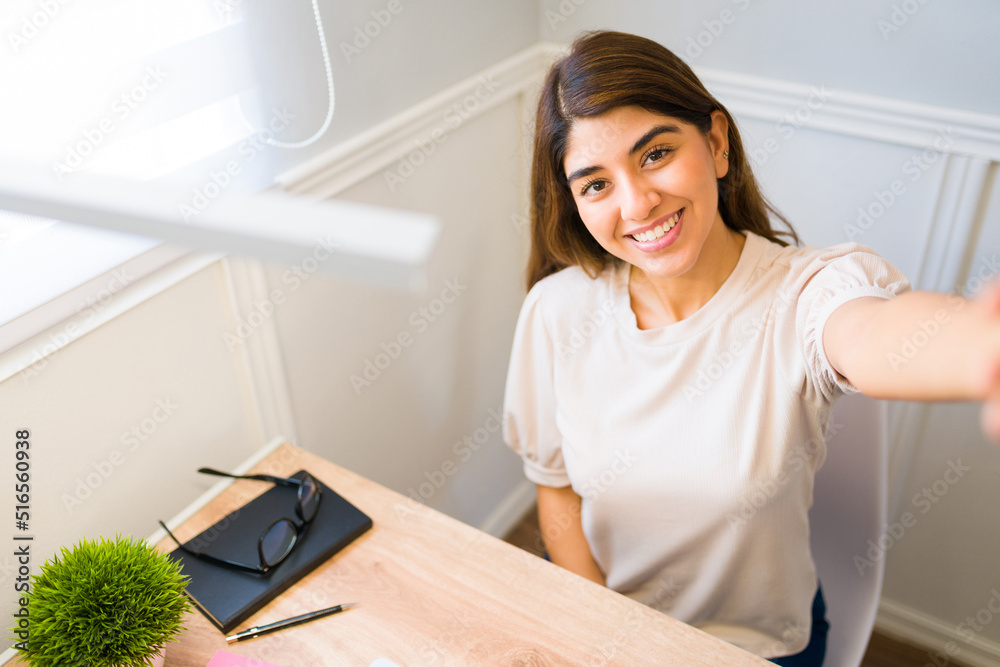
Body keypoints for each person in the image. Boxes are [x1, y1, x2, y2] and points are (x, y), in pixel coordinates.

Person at [501, 30, 1000, 665]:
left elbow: (876, 333)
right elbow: (556, 488)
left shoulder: (804, 295)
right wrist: (604, 634)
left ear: (715, 143)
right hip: (612, 629)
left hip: (758, 646)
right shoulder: (556, 311)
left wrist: (982, 346)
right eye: (596, 184)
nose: (636, 203)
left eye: (654, 154)